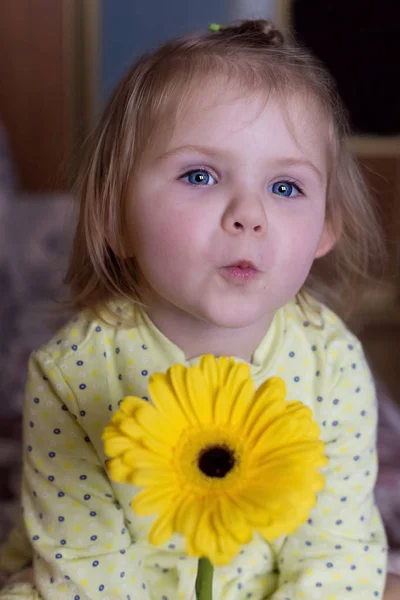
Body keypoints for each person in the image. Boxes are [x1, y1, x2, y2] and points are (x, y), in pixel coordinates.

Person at [0, 18, 397, 600]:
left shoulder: (329, 358)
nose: (248, 214)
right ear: (113, 216)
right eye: (200, 175)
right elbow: (87, 569)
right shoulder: (73, 371)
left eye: (285, 188)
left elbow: (334, 551)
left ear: (325, 229)